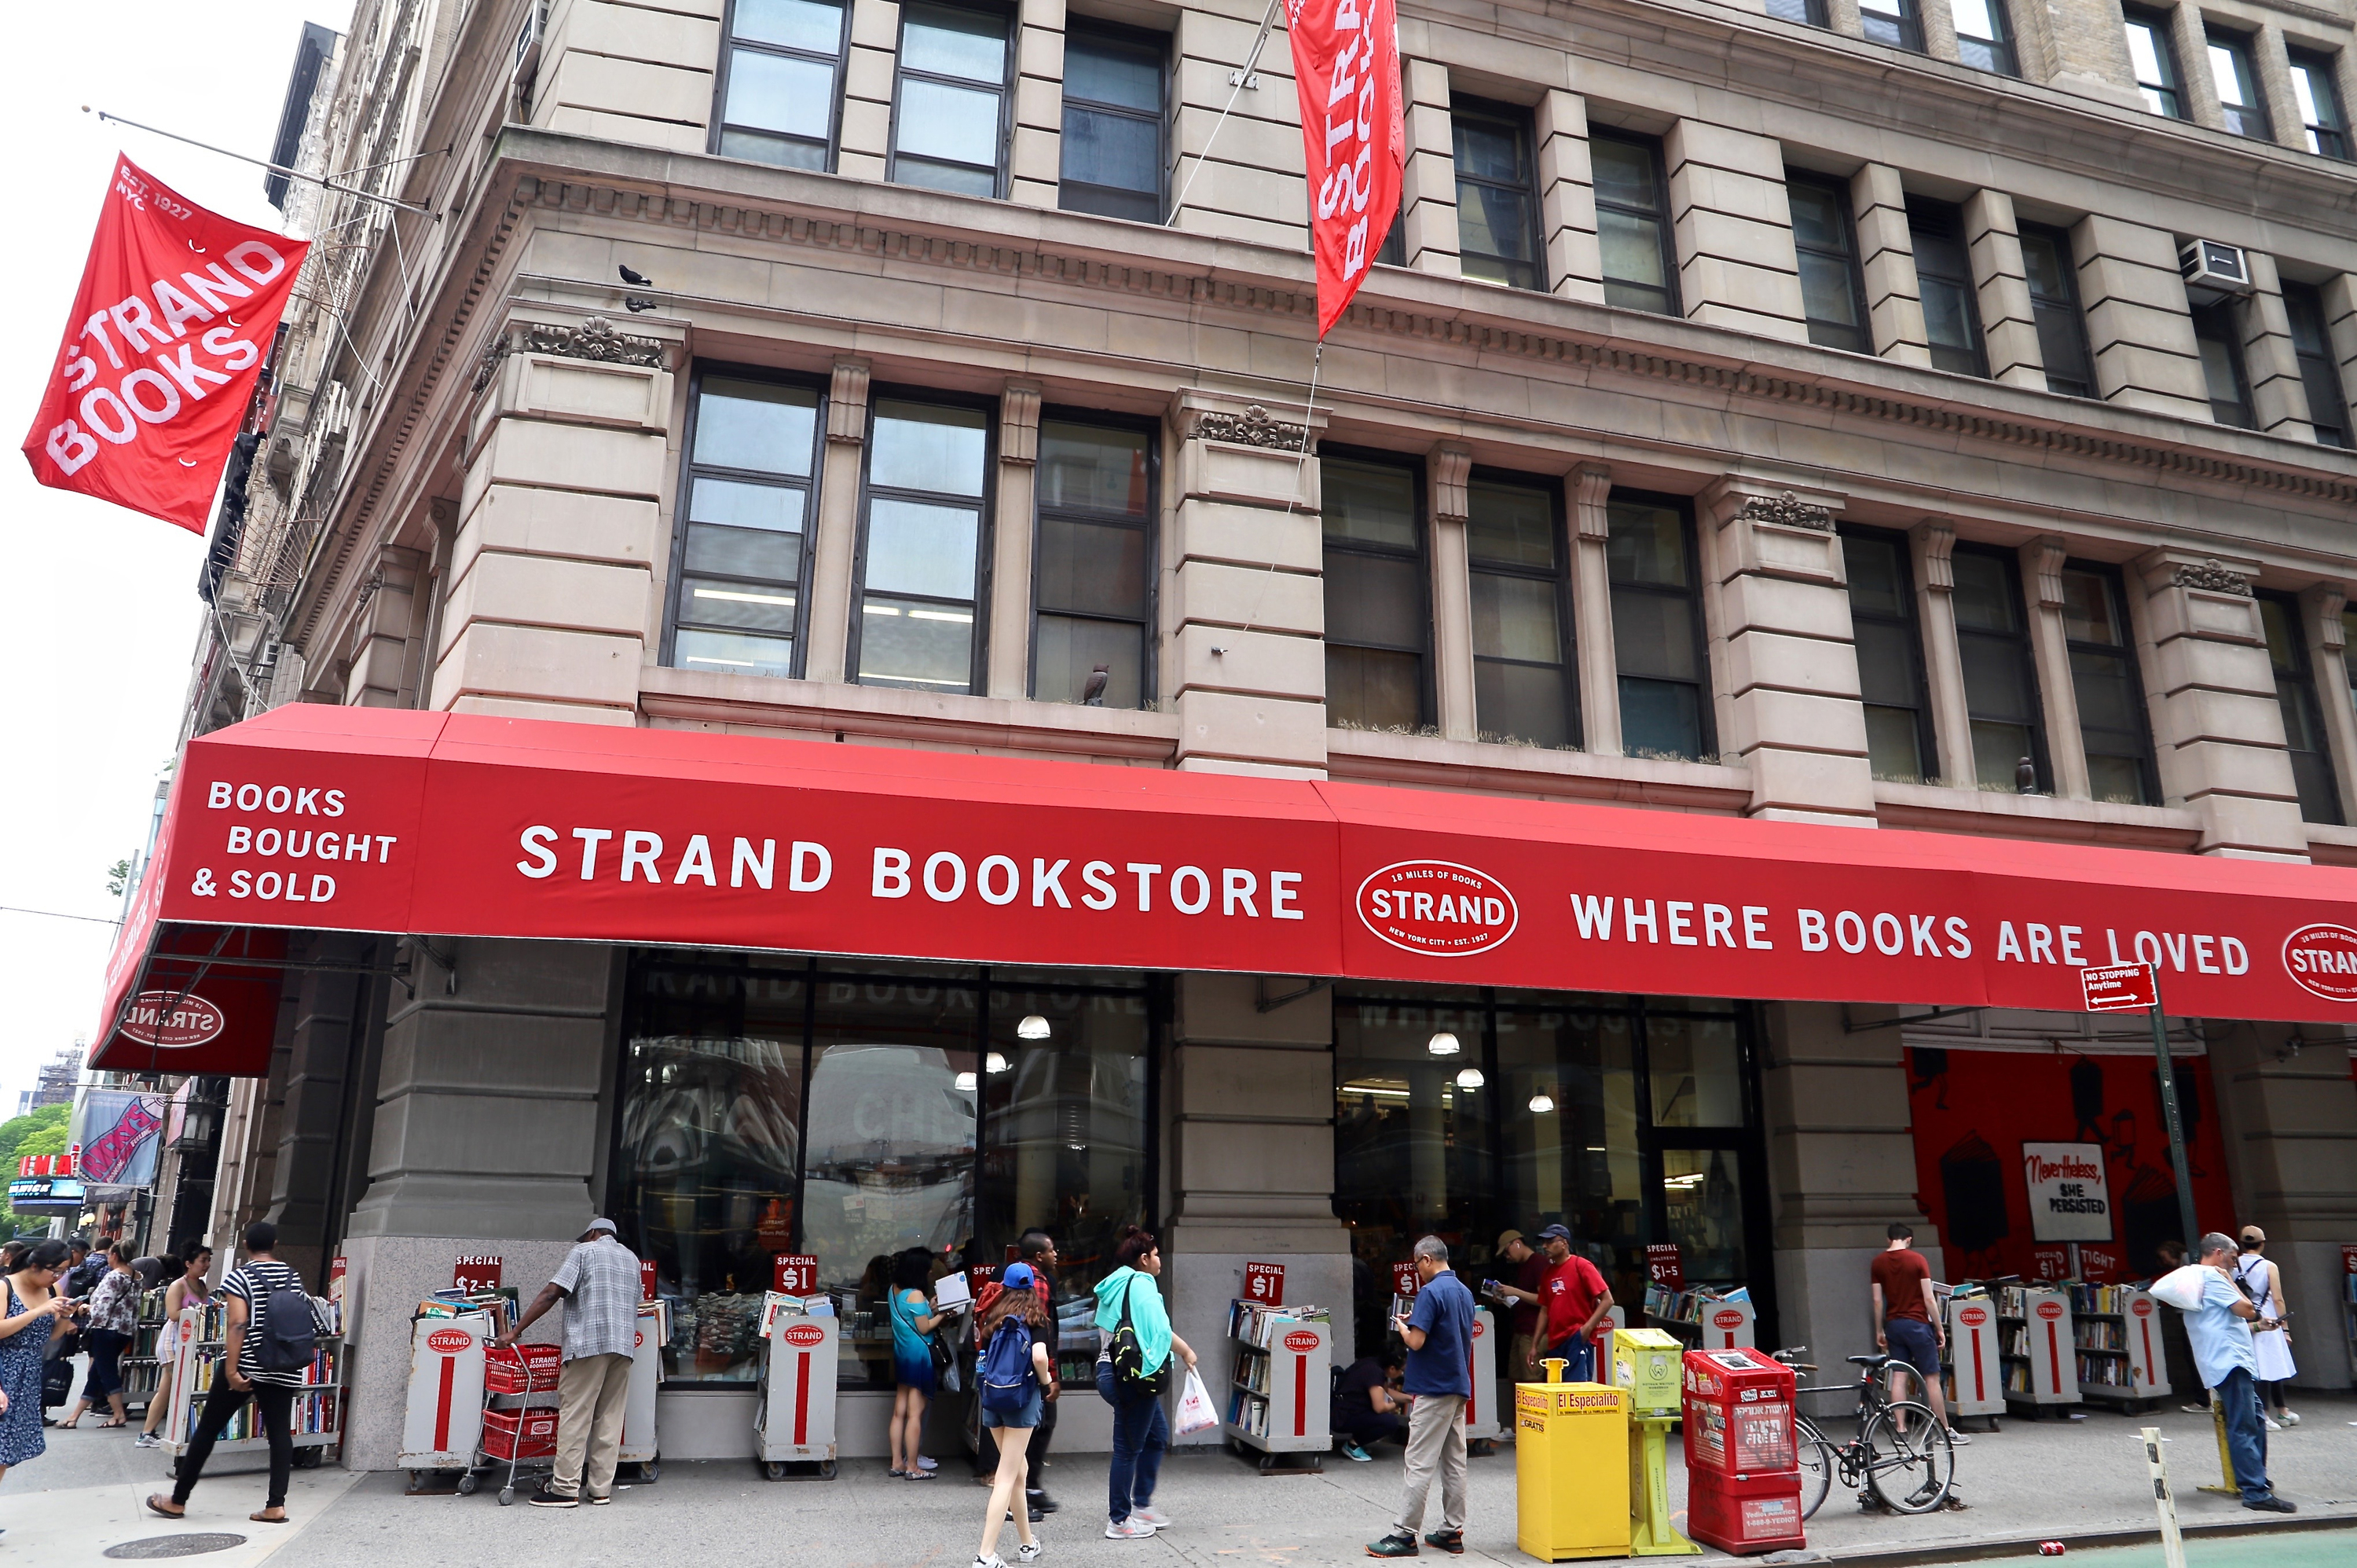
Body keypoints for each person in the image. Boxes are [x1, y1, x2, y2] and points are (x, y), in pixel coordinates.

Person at [145, 1222, 318, 1526]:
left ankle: (177, 1500)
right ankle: (275, 1505)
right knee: (280, 1434)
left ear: (247, 1245)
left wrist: (231, 1368)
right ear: (275, 1243)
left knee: (208, 1429)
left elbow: (238, 1323)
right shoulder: (293, 1276)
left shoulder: (241, 1276)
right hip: (284, 1363)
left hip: (249, 1363)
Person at [496, 1217, 642, 1508]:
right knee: (610, 1418)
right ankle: (600, 1490)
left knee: (576, 1415)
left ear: (592, 1233)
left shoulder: (584, 1252)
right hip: (622, 1349)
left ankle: (564, 1489)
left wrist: (514, 1331)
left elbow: (552, 1293)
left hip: (588, 1346)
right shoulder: (632, 1259)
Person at [1367, 1236, 1477, 1558]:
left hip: (1433, 1387)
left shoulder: (1430, 1292)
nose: (1417, 1272)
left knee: (1418, 1462)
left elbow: (1416, 1342)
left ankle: (1404, 1534)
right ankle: (1451, 1531)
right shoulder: (1464, 1292)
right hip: (1458, 1384)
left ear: (1427, 1259)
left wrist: (1403, 1328)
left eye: (1417, 1265)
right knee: (1455, 1461)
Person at [1094, 1225, 1195, 1540]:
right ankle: (1120, 1521)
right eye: (1155, 1254)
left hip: (1110, 1370)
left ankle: (1140, 1504)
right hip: (1133, 1377)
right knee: (1127, 1449)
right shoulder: (1142, 1283)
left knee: (1156, 1435)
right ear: (1143, 1259)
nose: (1159, 1259)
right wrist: (1187, 1351)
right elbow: (1160, 1331)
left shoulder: (1116, 1283)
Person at [2183, 1232, 2293, 1513]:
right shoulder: (2214, 1279)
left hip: (2227, 1358)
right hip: (2230, 1361)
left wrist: (2261, 1326)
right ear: (2219, 1252)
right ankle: (2255, 1491)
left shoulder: (2198, 1280)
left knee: (2254, 1419)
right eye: (2233, 1257)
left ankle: (2257, 1479)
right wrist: (2233, 1283)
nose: (2235, 1263)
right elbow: (2246, 1309)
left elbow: (2226, 1323)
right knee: (2244, 1425)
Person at [977, 1229, 1064, 1519]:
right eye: (1052, 1250)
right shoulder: (1035, 1288)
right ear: (1038, 1256)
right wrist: (1048, 1378)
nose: (1056, 1255)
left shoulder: (995, 1312)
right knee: (1012, 1468)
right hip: (1023, 1382)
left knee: (1015, 1464)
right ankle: (1009, 1516)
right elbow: (1040, 1347)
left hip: (995, 1387)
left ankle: (1026, 1513)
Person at [972, 1262, 1054, 1568]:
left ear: (1004, 1287)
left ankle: (1027, 1543)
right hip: (1021, 1401)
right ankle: (986, 1554)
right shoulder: (1036, 1319)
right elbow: (1039, 1356)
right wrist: (1045, 1382)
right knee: (1007, 1477)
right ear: (1031, 1287)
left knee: (1018, 1471)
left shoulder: (993, 1318)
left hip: (993, 1400)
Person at [1869, 1222, 1967, 1445]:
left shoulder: (1878, 1263)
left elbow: (1876, 1301)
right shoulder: (1918, 1260)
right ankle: (1945, 1430)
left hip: (1894, 1325)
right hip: (1918, 1325)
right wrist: (1940, 1328)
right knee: (1931, 1378)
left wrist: (1879, 1329)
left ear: (1889, 1239)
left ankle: (1901, 1430)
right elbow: (1929, 1298)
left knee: (1899, 1377)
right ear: (1909, 1240)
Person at [1, 1241, 81, 1486]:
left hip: (29, 1375)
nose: (58, 1277)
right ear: (34, 1266)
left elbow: (53, 1336)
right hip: (4, 1371)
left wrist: (66, 1316)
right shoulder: (5, 1286)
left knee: (7, 1452)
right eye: (55, 1271)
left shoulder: (53, 1289)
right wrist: (38, 1311)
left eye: (64, 1271)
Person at [138, 1246, 214, 1449]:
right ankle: (149, 1432)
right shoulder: (178, 1285)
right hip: (173, 1341)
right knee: (171, 1386)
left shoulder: (202, 1285)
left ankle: (151, 1432)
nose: (207, 1265)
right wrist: (200, 1311)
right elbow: (173, 1314)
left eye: (208, 1261)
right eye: (203, 1260)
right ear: (189, 1263)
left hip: (189, 1341)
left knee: (173, 1387)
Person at [60, 1244, 140, 1429]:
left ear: (113, 1255)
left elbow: (103, 1307)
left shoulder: (113, 1276)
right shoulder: (137, 1277)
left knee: (107, 1372)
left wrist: (86, 1309)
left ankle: (118, 1415)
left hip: (105, 1330)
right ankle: (74, 1416)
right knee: (97, 1372)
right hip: (125, 1331)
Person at [889, 1247, 946, 1479]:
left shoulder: (894, 1290)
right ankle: (913, 1466)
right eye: (928, 1268)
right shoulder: (916, 1294)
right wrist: (944, 1314)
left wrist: (930, 1308)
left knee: (898, 1412)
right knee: (915, 1414)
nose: (931, 1271)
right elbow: (924, 1327)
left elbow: (913, 1318)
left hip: (902, 1354)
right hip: (920, 1356)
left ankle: (897, 1463)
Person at [2232, 1229, 2297, 1429]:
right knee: (2269, 1364)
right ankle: (2269, 1414)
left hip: (2244, 1316)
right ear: (2263, 1243)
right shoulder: (2269, 1266)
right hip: (2267, 1317)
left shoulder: (2233, 1265)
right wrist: (2284, 1327)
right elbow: (2278, 1298)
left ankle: (2280, 1411)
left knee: (2264, 1365)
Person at [1534, 1225, 1611, 1383]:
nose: (1544, 1246)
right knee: (1557, 1392)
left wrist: (1586, 1329)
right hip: (1555, 1341)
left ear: (1564, 1243)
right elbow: (1544, 1310)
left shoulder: (1581, 1265)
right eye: (1544, 1242)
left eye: (1549, 1241)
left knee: (1576, 1392)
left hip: (1577, 1337)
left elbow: (1608, 1300)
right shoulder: (1548, 1273)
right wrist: (1534, 1345)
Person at [1485, 1230, 1547, 1383]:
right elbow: (1526, 1297)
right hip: (1520, 1330)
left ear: (1517, 1243)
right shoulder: (1522, 1266)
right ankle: (1516, 1409)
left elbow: (1545, 1300)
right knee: (1515, 1379)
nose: (1507, 1257)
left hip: (1533, 1332)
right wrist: (1505, 1298)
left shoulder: (1539, 1263)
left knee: (1531, 1380)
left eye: (1507, 1251)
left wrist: (1515, 1292)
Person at [1333, 1344, 1409, 1461]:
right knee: (1390, 1422)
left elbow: (1386, 1392)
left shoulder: (1370, 1364)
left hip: (1341, 1410)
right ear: (1392, 1368)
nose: (1402, 1374)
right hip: (1343, 1417)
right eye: (1402, 1371)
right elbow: (1379, 1407)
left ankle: (1358, 1442)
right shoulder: (1375, 1373)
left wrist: (1410, 1398)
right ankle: (1353, 1445)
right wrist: (1393, 1405)